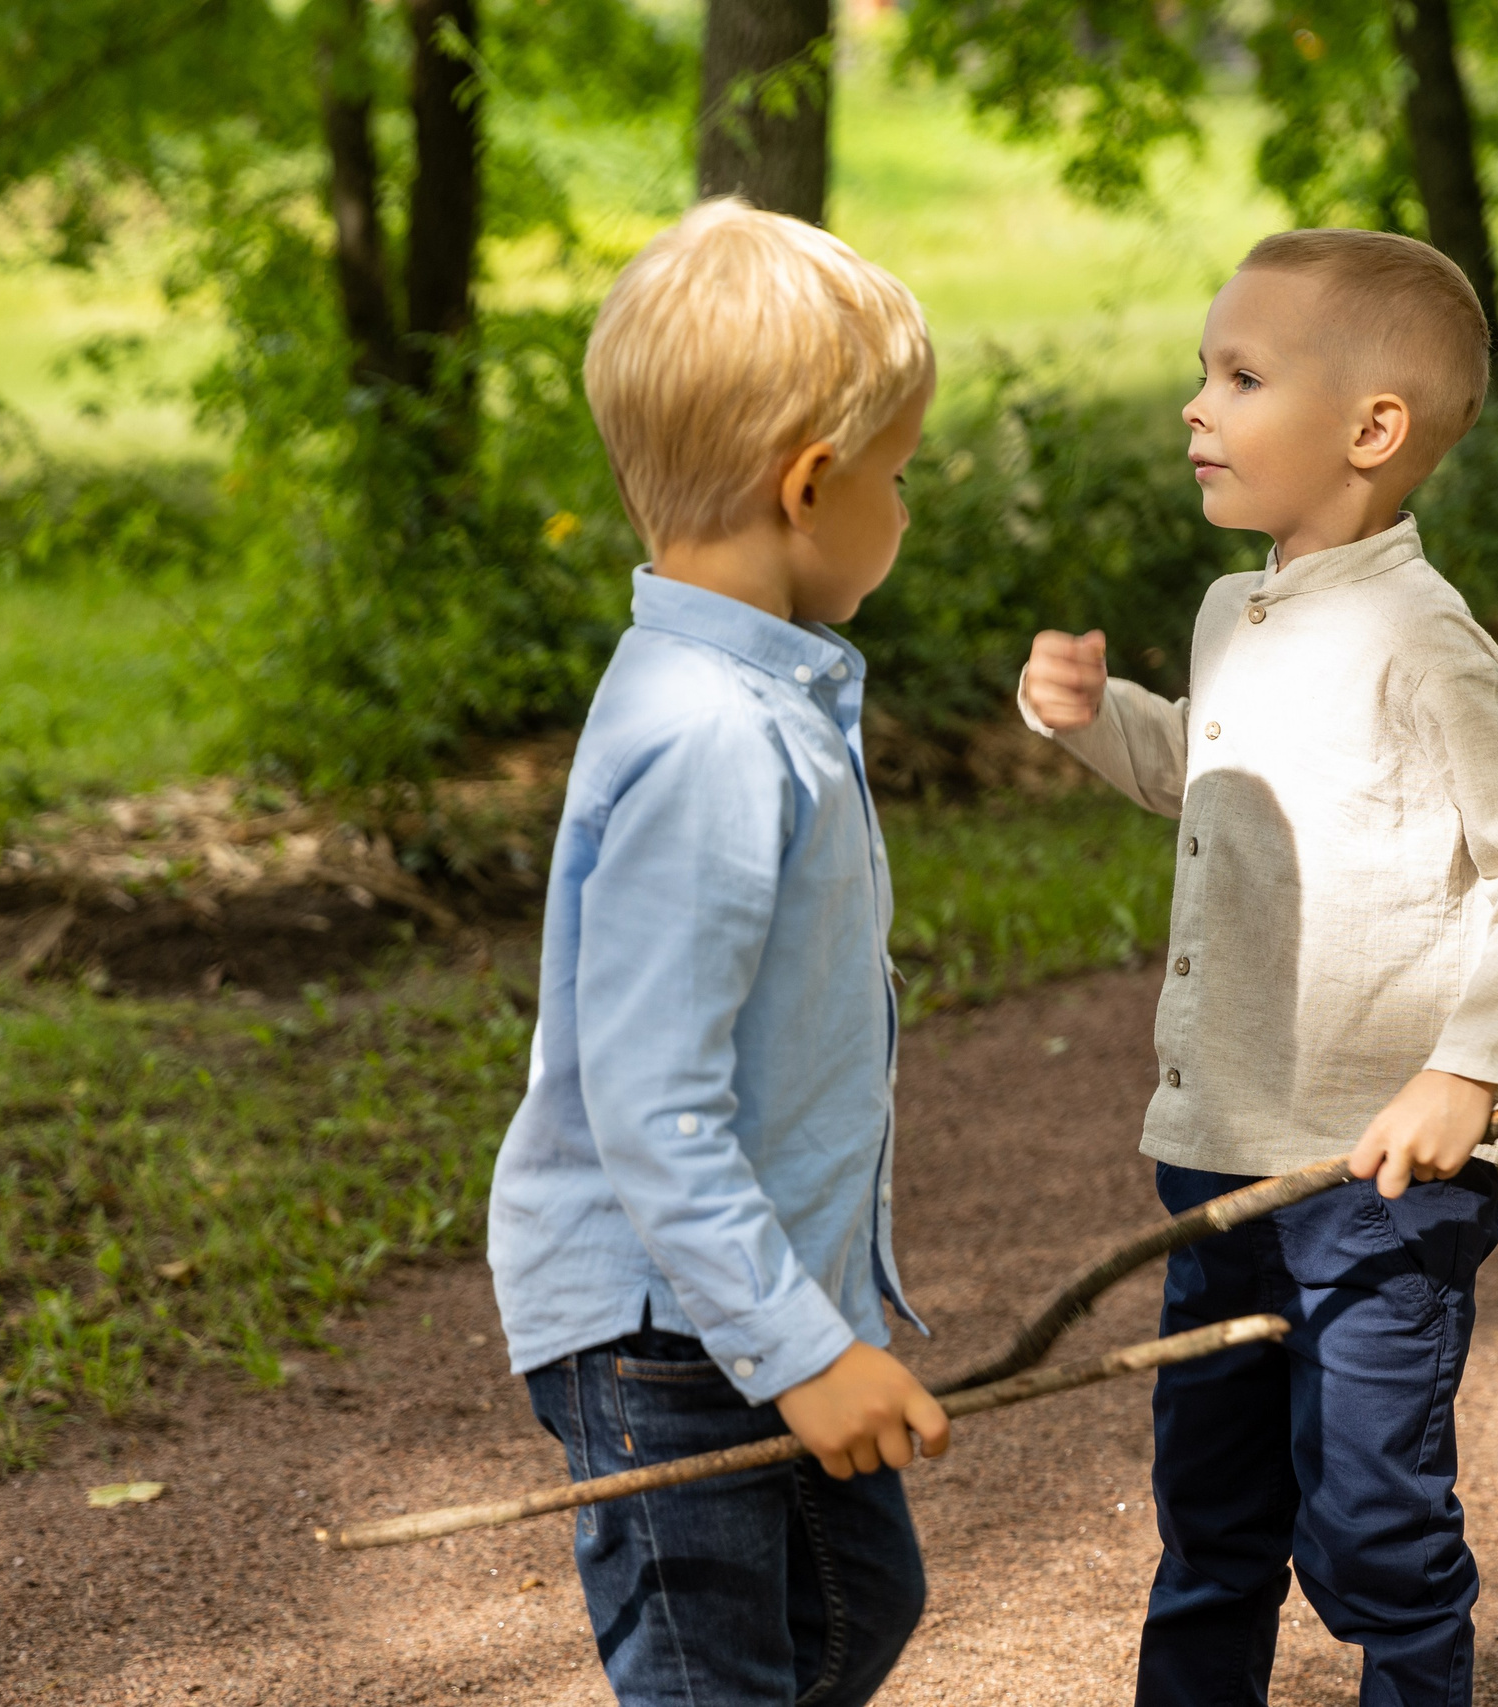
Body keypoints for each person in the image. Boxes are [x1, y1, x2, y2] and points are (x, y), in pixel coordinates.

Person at [1017, 228, 1498, 1706]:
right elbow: (1205, 777)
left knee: (1373, 1528)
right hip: (1219, 1160)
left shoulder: (1425, 641)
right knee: (1210, 1519)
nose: (1194, 407)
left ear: (1371, 430)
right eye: (1201, 372)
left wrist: (1466, 1074)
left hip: (1378, 1187)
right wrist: (1099, 719)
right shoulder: (1240, 610)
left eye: (1239, 375)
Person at [487, 199, 948, 1707]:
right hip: (662, 1332)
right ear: (811, 485)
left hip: (745, 1307)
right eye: (900, 476)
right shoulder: (709, 741)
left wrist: (812, 1330)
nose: (907, 507)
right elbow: (652, 1111)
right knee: (714, 1682)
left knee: (856, 1603)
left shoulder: (757, 703)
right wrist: (800, 1354)